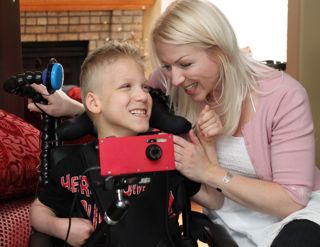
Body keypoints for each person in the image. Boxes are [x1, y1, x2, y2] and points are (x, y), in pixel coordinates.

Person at [147, 0, 320, 247]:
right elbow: (123, 101)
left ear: (221, 51)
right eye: (166, 66)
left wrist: (208, 172)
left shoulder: (283, 95)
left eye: (185, 64)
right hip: (228, 220)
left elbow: (292, 201)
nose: (175, 78)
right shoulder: (166, 83)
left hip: (294, 218)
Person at [29, 39, 220, 247]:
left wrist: (208, 144)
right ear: (93, 103)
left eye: (145, 87)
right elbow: (38, 211)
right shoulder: (75, 166)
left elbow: (214, 200)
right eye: (126, 86)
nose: (142, 96)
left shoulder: (166, 154)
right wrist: (61, 228)